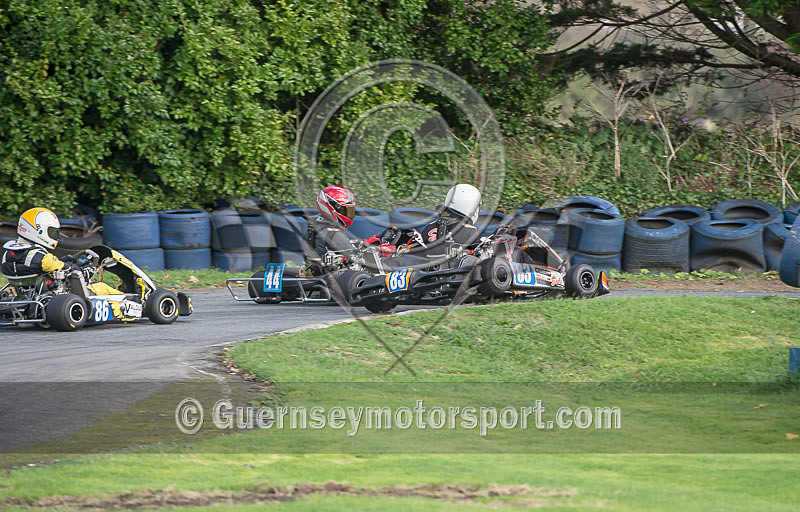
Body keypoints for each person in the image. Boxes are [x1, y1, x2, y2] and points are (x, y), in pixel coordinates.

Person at [1, 207, 122, 295]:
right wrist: (84, 269)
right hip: (53, 295)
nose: (54, 236)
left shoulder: (7, 254)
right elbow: (67, 269)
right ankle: (133, 303)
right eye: (52, 232)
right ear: (39, 231)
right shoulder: (41, 257)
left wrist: (66, 260)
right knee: (101, 288)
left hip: (25, 294)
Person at [307, 185, 395, 259]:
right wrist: (380, 251)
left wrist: (366, 242)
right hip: (340, 276)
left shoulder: (318, 226)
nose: (349, 214)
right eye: (345, 210)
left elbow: (343, 249)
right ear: (331, 208)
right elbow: (355, 256)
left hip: (328, 272)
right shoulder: (333, 232)